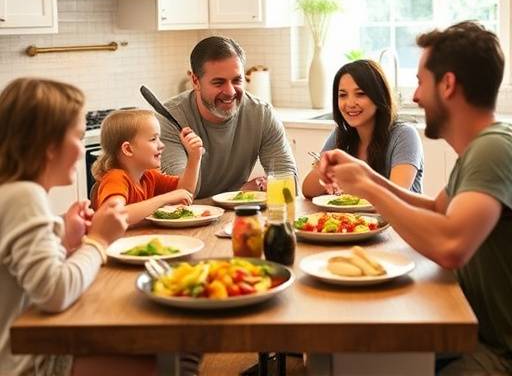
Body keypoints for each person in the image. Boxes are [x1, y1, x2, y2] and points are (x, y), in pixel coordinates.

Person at [318, 21, 512, 374]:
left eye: (421, 81)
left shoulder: (494, 150)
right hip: (466, 324)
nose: (417, 96)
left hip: (495, 350)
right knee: (346, 355)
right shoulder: (481, 148)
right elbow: (439, 208)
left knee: (359, 358)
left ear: (448, 85)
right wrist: (367, 176)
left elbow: (450, 245)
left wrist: (367, 188)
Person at [0, 77, 148, 376]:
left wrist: (66, 243)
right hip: (25, 361)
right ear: (48, 145)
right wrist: (98, 240)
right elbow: (54, 293)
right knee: (164, 361)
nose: (83, 149)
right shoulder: (23, 196)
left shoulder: (14, 191)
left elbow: (26, 278)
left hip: (30, 346)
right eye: (79, 137)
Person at [159, 35, 297, 198]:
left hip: (236, 215)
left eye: (237, 80)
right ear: (195, 81)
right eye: (219, 83)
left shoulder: (261, 114)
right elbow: (180, 195)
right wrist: (239, 194)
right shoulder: (169, 119)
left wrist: (263, 189)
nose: (230, 91)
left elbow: (288, 185)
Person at [302, 59, 423, 198]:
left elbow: (396, 197)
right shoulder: (341, 134)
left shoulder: (404, 135)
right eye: (342, 95)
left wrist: (358, 175)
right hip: (354, 219)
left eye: (360, 94)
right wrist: (325, 168)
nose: (350, 103)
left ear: (379, 96)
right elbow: (308, 191)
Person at [92, 109, 203, 225]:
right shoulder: (115, 178)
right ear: (128, 149)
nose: (161, 145)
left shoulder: (148, 176)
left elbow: (184, 192)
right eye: (153, 139)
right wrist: (164, 199)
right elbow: (113, 216)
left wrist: (195, 157)